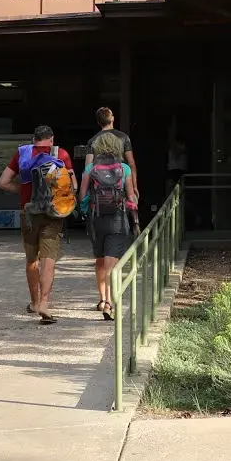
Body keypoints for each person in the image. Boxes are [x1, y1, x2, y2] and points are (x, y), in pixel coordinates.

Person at [0, 125, 71, 324]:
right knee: (48, 259)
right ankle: (45, 303)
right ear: (51, 139)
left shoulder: (22, 154)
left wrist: (24, 192)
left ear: (34, 139)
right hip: (53, 213)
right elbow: (70, 185)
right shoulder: (61, 154)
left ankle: (34, 302)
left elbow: (3, 182)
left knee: (32, 260)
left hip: (28, 212)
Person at [81, 128, 138, 320]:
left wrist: (85, 211)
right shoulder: (124, 168)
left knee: (100, 261)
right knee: (111, 264)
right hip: (117, 220)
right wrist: (133, 211)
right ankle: (109, 303)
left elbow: (82, 197)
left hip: (96, 220)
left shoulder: (90, 168)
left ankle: (102, 299)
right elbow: (131, 198)